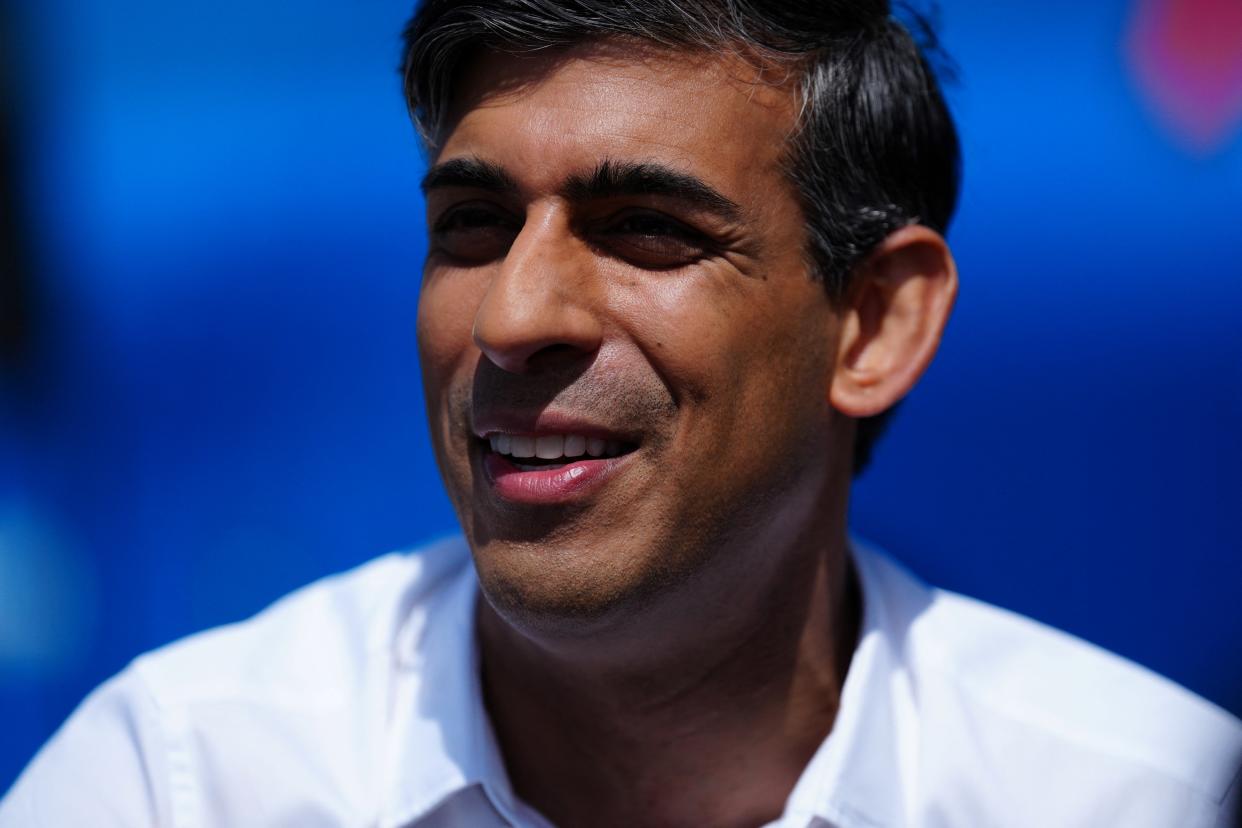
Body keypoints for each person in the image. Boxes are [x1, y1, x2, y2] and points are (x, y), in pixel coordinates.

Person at [3, 1, 1241, 825]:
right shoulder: (181, 783)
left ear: (874, 326)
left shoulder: (1137, 796)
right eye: (473, 227)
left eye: (645, 231)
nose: (514, 316)